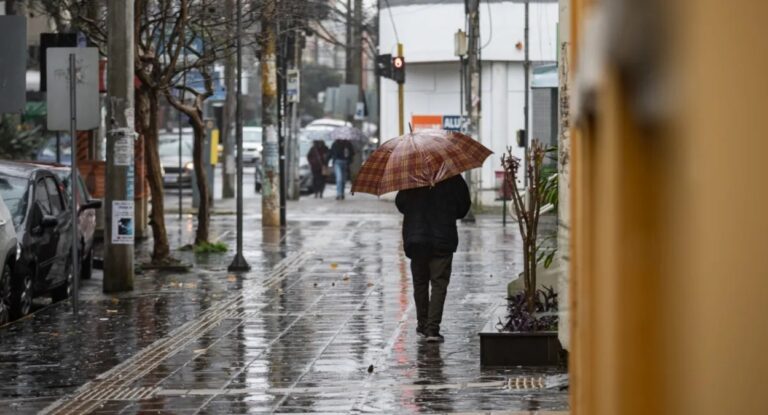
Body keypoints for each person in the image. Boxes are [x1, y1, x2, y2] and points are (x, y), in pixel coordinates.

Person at [395, 174, 471, 342]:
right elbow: (463, 207)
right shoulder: (453, 177)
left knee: (420, 283)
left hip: (416, 238)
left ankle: (422, 325)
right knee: (439, 284)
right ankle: (432, 330)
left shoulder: (412, 174)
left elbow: (401, 204)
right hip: (443, 237)